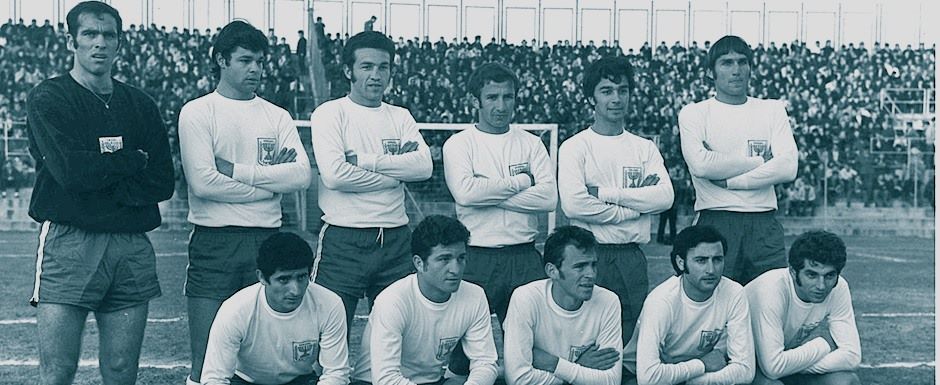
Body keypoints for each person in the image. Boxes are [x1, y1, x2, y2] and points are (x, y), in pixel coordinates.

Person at [25, 2, 175, 383]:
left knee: (123, 370)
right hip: (71, 241)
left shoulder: (140, 104)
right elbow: (71, 172)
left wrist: (102, 179)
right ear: (72, 40)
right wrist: (129, 161)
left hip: (130, 245)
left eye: (108, 35)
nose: (99, 43)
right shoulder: (49, 98)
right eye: (90, 34)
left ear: (120, 43)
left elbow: (161, 181)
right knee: (58, 371)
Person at [178, 20, 312, 385]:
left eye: (260, 62)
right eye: (245, 60)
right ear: (221, 60)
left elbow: (301, 176)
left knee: (261, 357)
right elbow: (204, 183)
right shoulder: (198, 112)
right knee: (206, 359)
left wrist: (240, 172)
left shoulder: (277, 115)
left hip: (266, 242)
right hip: (213, 240)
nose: (255, 69)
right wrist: (270, 186)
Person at [309, 30, 433, 332]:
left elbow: (424, 168)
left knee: (394, 336)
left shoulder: (401, 116)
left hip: (395, 238)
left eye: (383, 67)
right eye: (367, 66)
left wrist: (367, 161)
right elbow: (336, 175)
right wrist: (395, 174)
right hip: (344, 237)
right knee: (326, 332)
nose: (376, 75)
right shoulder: (330, 113)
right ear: (348, 70)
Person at [558, 56, 673, 344]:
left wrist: (608, 196)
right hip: (588, 254)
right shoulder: (575, 147)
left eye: (622, 90)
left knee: (628, 337)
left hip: (630, 255)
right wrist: (633, 209)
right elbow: (574, 204)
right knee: (583, 336)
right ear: (591, 98)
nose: (616, 98)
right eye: (607, 90)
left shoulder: (644, 148)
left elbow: (664, 197)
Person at [678, 35, 798, 284]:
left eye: (742, 62)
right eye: (727, 63)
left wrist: (729, 181)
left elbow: (787, 167)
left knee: (769, 305)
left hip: (764, 220)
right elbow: (701, 165)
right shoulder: (694, 113)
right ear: (711, 72)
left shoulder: (772, 109)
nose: (736, 70)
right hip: (716, 219)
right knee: (715, 309)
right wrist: (758, 162)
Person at [442, 61, 556, 325]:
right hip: (477, 256)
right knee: (463, 348)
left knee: (530, 345)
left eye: (508, 97)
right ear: (475, 101)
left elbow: (548, 199)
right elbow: (467, 195)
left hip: (525, 257)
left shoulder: (531, 143)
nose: (501, 106)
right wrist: (522, 181)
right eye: (492, 97)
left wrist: (488, 190)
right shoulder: (459, 144)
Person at [350, 215, 499, 385]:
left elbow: (486, 362)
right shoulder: (392, 300)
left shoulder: (475, 295)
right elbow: (385, 378)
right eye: (444, 259)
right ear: (419, 263)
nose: (455, 269)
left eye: (461, 258)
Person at [201, 232, 350, 385]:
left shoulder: (329, 304)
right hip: (245, 381)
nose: (296, 290)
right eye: (283, 279)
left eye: (301, 277)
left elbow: (336, 373)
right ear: (262, 278)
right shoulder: (235, 310)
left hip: (300, 380)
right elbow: (214, 378)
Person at [622, 225, 754, 385]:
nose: (711, 269)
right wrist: (702, 364)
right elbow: (648, 377)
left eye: (717, 259)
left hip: (690, 375)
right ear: (681, 262)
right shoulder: (661, 301)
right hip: (636, 375)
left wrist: (691, 380)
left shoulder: (734, 293)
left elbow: (745, 370)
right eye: (701, 261)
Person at [503, 226, 623, 385]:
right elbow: (517, 379)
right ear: (552, 271)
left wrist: (554, 364)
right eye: (580, 266)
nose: (591, 274)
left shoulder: (609, 301)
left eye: (593, 265)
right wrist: (578, 369)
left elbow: (611, 380)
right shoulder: (526, 298)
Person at [746, 231, 861, 385]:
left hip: (784, 361)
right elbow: (772, 368)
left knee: (846, 381)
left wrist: (792, 367)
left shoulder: (839, 287)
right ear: (793, 272)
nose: (821, 286)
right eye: (811, 275)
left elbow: (852, 357)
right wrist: (823, 345)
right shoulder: (771, 289)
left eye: (829, 276)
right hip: (743, 364)